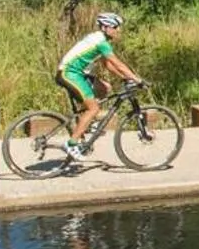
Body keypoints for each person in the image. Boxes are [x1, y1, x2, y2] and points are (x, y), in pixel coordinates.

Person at [54, 12, 141, 161]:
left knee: (105, 88)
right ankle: (71, 144)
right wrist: (136, 78)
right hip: (70, 74)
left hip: (78, 73)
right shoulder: (101, 42)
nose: (118, 30)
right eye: (115, 27)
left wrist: (124, 77)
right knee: (93, 108)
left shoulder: (99, 39)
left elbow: (108, 65)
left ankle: (87, 122)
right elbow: (117, 63)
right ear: (106, 27)